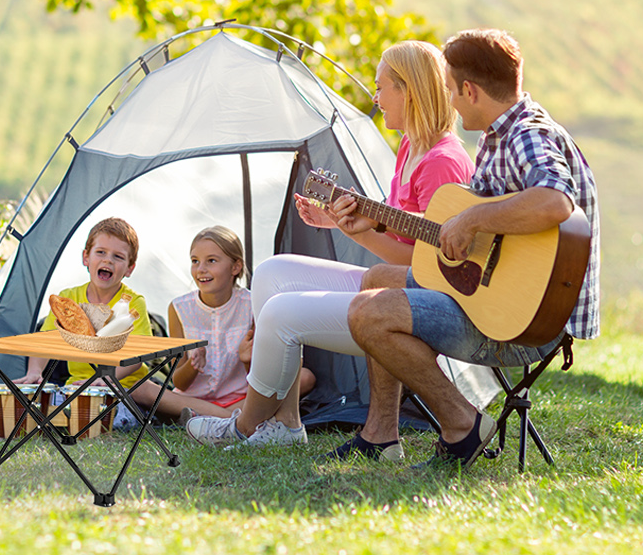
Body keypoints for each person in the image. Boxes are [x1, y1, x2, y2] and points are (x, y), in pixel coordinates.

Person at [185, 41, 472, 453]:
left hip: (420, 304)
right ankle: (285, 423)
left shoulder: (442, 160)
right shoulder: (411, 147)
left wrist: (359, 234)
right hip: (394, 285)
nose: (375, 98)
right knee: (271, 273)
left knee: (281, 314)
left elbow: (431, 264)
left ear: (407, 90)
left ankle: (244, 424)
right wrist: (338, 221)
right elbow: (400, 229)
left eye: (381, 87)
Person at [347, 28, 600, 468]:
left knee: (368, 313)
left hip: (526, 321)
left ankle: (462, 424)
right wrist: (379, 222)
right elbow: (463, 235)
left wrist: (472, 219)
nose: (450, 101)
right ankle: (381, 435)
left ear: (470, 90)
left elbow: (555, 201)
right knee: (376, 280)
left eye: (451, 90)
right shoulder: (497, 137)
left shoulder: (527, 135)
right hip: (494, 295)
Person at [129, 226, 315, 422]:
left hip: (241, 398)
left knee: (304, 377)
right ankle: (232, 419)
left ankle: (207, 417)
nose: (201, 269)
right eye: (195, 261)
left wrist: (247, 361)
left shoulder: (253, 305)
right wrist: (193, 365)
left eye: (211, 261)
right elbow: (179, 382)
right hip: (192, 399)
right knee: (141, 389)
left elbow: (261, 380)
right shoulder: (178, 309)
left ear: (235, 267)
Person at [15, 217, 151, 391]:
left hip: (123, 387)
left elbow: (139, 355)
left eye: (118, 256)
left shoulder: (133, 302)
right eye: (100, 252)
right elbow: (45, 342)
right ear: (86, 257)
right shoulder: (68, 298)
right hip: (77, 386)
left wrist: (108, 378)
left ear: (129, 268)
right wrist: (34, 371)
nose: (108, 260)